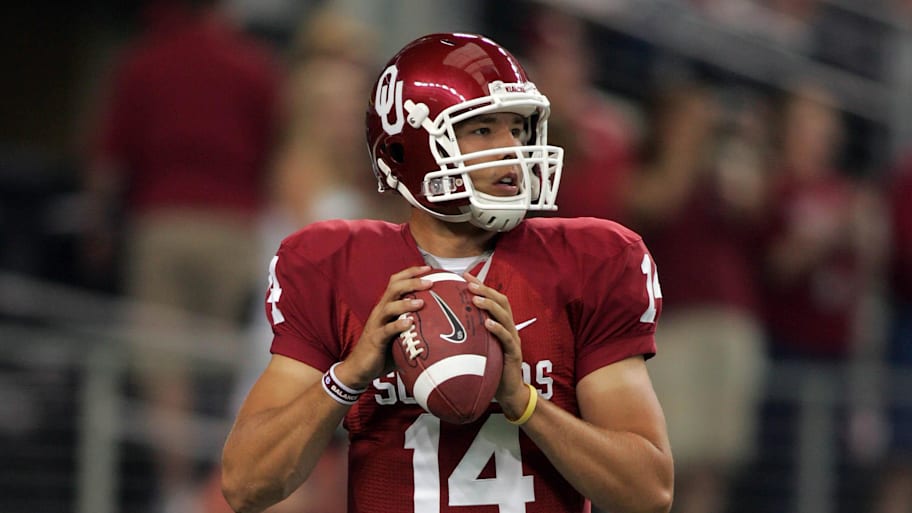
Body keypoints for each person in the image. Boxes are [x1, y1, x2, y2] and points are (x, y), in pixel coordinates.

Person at [220, 33, 673, 513]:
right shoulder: (333, 265)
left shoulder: (589, 261)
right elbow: (246, 484)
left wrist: (524, 402)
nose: (511, 151)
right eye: (482, 130)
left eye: (517, 129)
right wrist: (350, 375)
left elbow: (648, 493)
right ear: (405, 149)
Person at [83, 0, 281, 510]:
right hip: (234, 229)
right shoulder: (252, 64)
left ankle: (179, 491)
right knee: (226, 365)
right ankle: (222, 488)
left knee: (166, 367)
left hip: (163, 226)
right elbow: (273, 150)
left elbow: (109, 156)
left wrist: (99, 228)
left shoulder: (142, 61)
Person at [628, 82, 768, 513]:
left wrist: (749, 148)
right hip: (676, 326)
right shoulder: (648, 165)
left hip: (731, 323)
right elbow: (656, 204)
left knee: (716, 459)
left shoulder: (722, 169)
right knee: (673, 455)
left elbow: (759, 212)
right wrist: (686, 146)